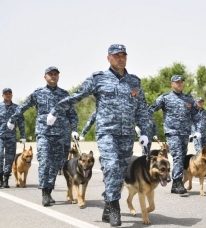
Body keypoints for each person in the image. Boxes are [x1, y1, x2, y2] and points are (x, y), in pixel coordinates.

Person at [46, 44, 149, 226]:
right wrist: (56, 109)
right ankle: (115, 207)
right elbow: (78, 95)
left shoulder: (135, 82)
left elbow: (141, 108)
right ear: (108, 58)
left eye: (123, 55)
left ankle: (107, 207)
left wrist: (144, 131)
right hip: (107, 133)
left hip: (126, 135)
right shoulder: (98, 78)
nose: (121, 58)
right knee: (110, 166)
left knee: (119, 173)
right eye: (116, 55)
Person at [7, 67, 78, 206]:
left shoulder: (64, 94)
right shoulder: (38, 94)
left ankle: (49, 188)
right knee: (45, 161)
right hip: (44, 134)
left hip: (62, 135)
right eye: (50, 74)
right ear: (45, 77)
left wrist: (74, 130)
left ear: (58, 77)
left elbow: (72, 114)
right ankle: (44, 193)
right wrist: (12, 119)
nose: (53, 76)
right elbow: (23, 107)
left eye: (55, 74)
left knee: (58, 164)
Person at [148, 75, 201, 196]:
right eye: (177, 82)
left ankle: (175, 184)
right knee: (177, 155)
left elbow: (196, 116)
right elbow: (150, 109)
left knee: (182, 157)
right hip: (172, 132)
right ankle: (177, 182)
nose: (179, 84)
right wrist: (146, 124)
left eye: (181, 82)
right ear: (172, 84)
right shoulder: (165, 98)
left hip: (185, 133)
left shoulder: (188, 99)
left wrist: (197, 130)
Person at [0, 88, 26, 188]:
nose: (7, 95)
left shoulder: (17, 108)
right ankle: (0, 179)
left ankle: (6, 179)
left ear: (12, 95)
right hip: (0, 136)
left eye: (9, 93)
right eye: (5, 94)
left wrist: (23, 136)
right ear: (2, 95)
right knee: (0, 156)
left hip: (11, 136)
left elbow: (21, 123)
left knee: (10, 158)